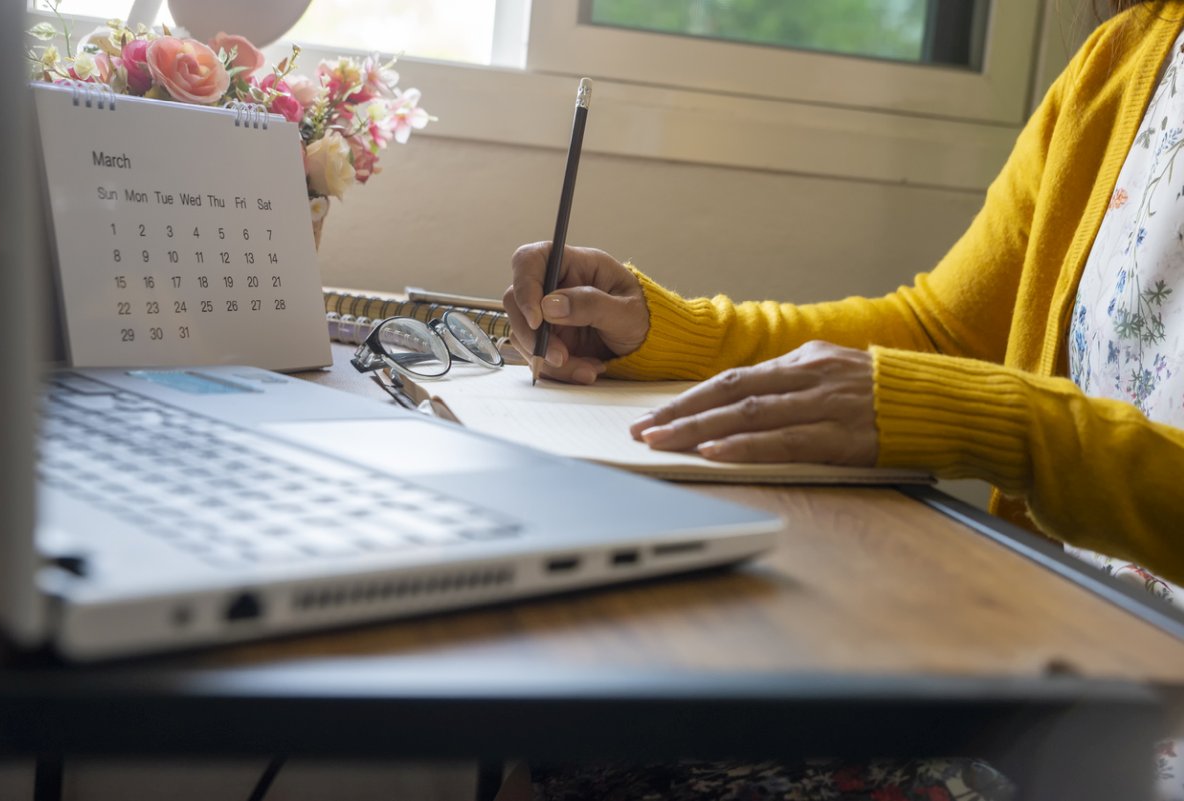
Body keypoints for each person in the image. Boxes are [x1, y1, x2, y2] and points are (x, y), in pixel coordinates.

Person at [501, 0, 1184, 798]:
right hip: (1067, 677)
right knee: (578, 739)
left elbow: (960, 385)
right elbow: (939, 330)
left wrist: (1007, 423)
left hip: (1123, 736)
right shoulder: (1129, 58)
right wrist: (666, 334)